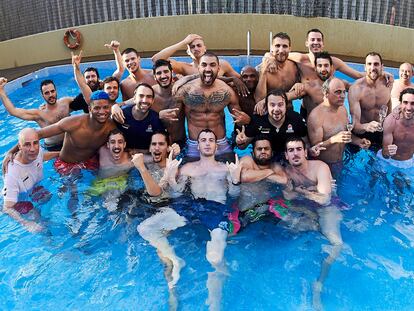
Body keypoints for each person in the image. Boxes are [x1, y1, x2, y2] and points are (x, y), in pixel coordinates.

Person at [162, 129, 241, 310]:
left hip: (217, 209)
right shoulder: (188, 169)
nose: (207, 143)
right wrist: (171, 177)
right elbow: (177, 193)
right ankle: (174, 267)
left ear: (216, 145)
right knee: (148, 228)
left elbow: (234, 196)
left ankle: (215, 304)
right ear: (197, 146)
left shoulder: (225, 169)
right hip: (194, 207)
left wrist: (235, 181)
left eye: (211, 140)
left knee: (215, 257)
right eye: (203, 140)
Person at [282, 136, 343, 310]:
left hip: (327, 208)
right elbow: (287, 196)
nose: (295, 154)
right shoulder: (286, 172)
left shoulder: (320, 168)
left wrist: (303, 192)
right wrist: (308, 192)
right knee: (285, 226)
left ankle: (319, 284)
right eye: (291, 151)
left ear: (305, 152)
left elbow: (324, 200)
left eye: (298, 149)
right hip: (305, 208)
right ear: (286, 155)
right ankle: (315, 228)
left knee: (337, 244)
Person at [174, 52, 250, 160]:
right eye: (204, 65)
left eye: (212, 65)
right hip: (195, 144)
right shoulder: (185, 91)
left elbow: (239, 120)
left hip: (221, 143)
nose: (208, 69)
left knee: (233, 174)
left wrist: (241, 133)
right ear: (199, 67)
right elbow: (174, 119)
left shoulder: (227, 91)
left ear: (218, 69)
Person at [307, 78, 371, 177]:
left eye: (344, 92)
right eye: (337, 92)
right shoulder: (316, 116)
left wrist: (359, 141)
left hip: (340, 162)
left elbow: (345, 135)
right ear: (326, 93)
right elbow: (314, 150)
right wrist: (333, 140)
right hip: (323, 167)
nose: (342, 96)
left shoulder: (342, 109)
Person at [2, 128, 58, 233]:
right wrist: (26, 224)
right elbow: (7, 207)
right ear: (19, 147)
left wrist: (59, 154)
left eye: (35, 143)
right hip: (19, 201)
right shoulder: (12, 172)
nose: (32, 149)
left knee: (48, 198)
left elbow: (42, 156)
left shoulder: (37, 151)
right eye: (27, 144)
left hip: (34, 189)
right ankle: (52, 245)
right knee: (39, 223)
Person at [0, 77, 72, 150]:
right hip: (53, 147)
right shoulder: (39, 114)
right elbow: (13, 111)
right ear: (42, 95)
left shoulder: (66, 102)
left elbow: (82, 100)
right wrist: (1, 91)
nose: (50, 95)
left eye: (52, 91)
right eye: (46, 93)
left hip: (71, 142)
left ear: (56, 91)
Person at [236, 90, 311, 158]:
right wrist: (240, 142)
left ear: (286, 105)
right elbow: (242, 147)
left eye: (280, 105)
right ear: (266, 106)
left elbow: (306, 143)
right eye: (272, 105)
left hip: (289, 157)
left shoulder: (296, 119)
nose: (276, 109)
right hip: (266, 158)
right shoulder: (257, 120)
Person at [349, 52, 392, 149]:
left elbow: (388, 104)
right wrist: (366, 126)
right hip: (362, 134)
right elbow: (355, 126)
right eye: (369, 64)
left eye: (376, 64)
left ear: (382, 67)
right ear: (364, 67)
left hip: (381, 133)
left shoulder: (388, 82)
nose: (372, 68)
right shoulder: (356, 89)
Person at [287, 52, 348, 119]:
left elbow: (357, 87)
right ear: (315, 68)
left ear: (331, 67)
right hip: (314, 125)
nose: (323, 69)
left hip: (335, 125)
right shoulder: (308, 87)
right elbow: (285, 97)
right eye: (320, 66)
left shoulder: (341, 84)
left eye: (326, 65)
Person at [288, 28, 363, 82]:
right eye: (312, 39)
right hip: (308, 104)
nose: (316, 42)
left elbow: (358, 75)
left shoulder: (333, 62)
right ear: (306, 43)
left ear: (323, 44)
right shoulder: (300, 59)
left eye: (319, 40)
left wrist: (373, 73)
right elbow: (280, 54)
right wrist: (275, 62)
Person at [152, 34, 240, 78]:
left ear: (205, 48)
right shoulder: (184, 68)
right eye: (192, 47)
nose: (196, 48)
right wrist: (183, 42)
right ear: (188, 51)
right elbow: (156, 59)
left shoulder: (221, 64)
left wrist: (232, 82)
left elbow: (241, 80)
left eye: (199, 45)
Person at [115, 83, 165, 153]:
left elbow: (161, 148)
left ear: (153, 101)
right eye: (141, 96)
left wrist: (137, 151)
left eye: (149, 97)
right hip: (122, 156)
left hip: (145, 156)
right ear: (134, 98)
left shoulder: (156, 120)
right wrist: (114, 107)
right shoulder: (121, 113)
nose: (145, 100)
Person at [254, 32, 300, 104]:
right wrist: (263, 73)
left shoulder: (296, 68)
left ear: (290, 49)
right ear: (272, 48)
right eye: (277, 46)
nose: (281, 50)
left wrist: (300, 85)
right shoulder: (261, 69)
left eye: (285, 46)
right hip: (268, 111)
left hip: (289, 110)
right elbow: (259, 99)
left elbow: (304, 91)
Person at [379, 88, 414, 167]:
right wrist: (388, 151)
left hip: (408, 162)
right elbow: (385, 154)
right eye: (405, 102)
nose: (408, 108)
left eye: (413, 103)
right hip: (388, 161)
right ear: (400, 103)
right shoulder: (391, 121)